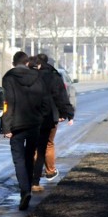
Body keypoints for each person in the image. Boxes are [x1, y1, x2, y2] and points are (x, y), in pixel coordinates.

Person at [0, 51, 47, 210]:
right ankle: (27, 187)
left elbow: (8, 102)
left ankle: (25, 190)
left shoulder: (9, 77)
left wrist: (6, 127)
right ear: (27, 62)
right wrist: (41, 118)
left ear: (14, 63)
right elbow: (43, 100)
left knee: (18, 160)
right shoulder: (37, 77)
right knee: (29, 157)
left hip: (16, 125)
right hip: (34, 123)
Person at [31, 54, 75, 192]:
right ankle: (50, 171)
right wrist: (66, 114)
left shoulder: (31, 76)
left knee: (34, 145)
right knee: (48, 143)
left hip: (32, 116)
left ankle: (34, 173)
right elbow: (61, 96)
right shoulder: (54, 76)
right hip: (51, 116)